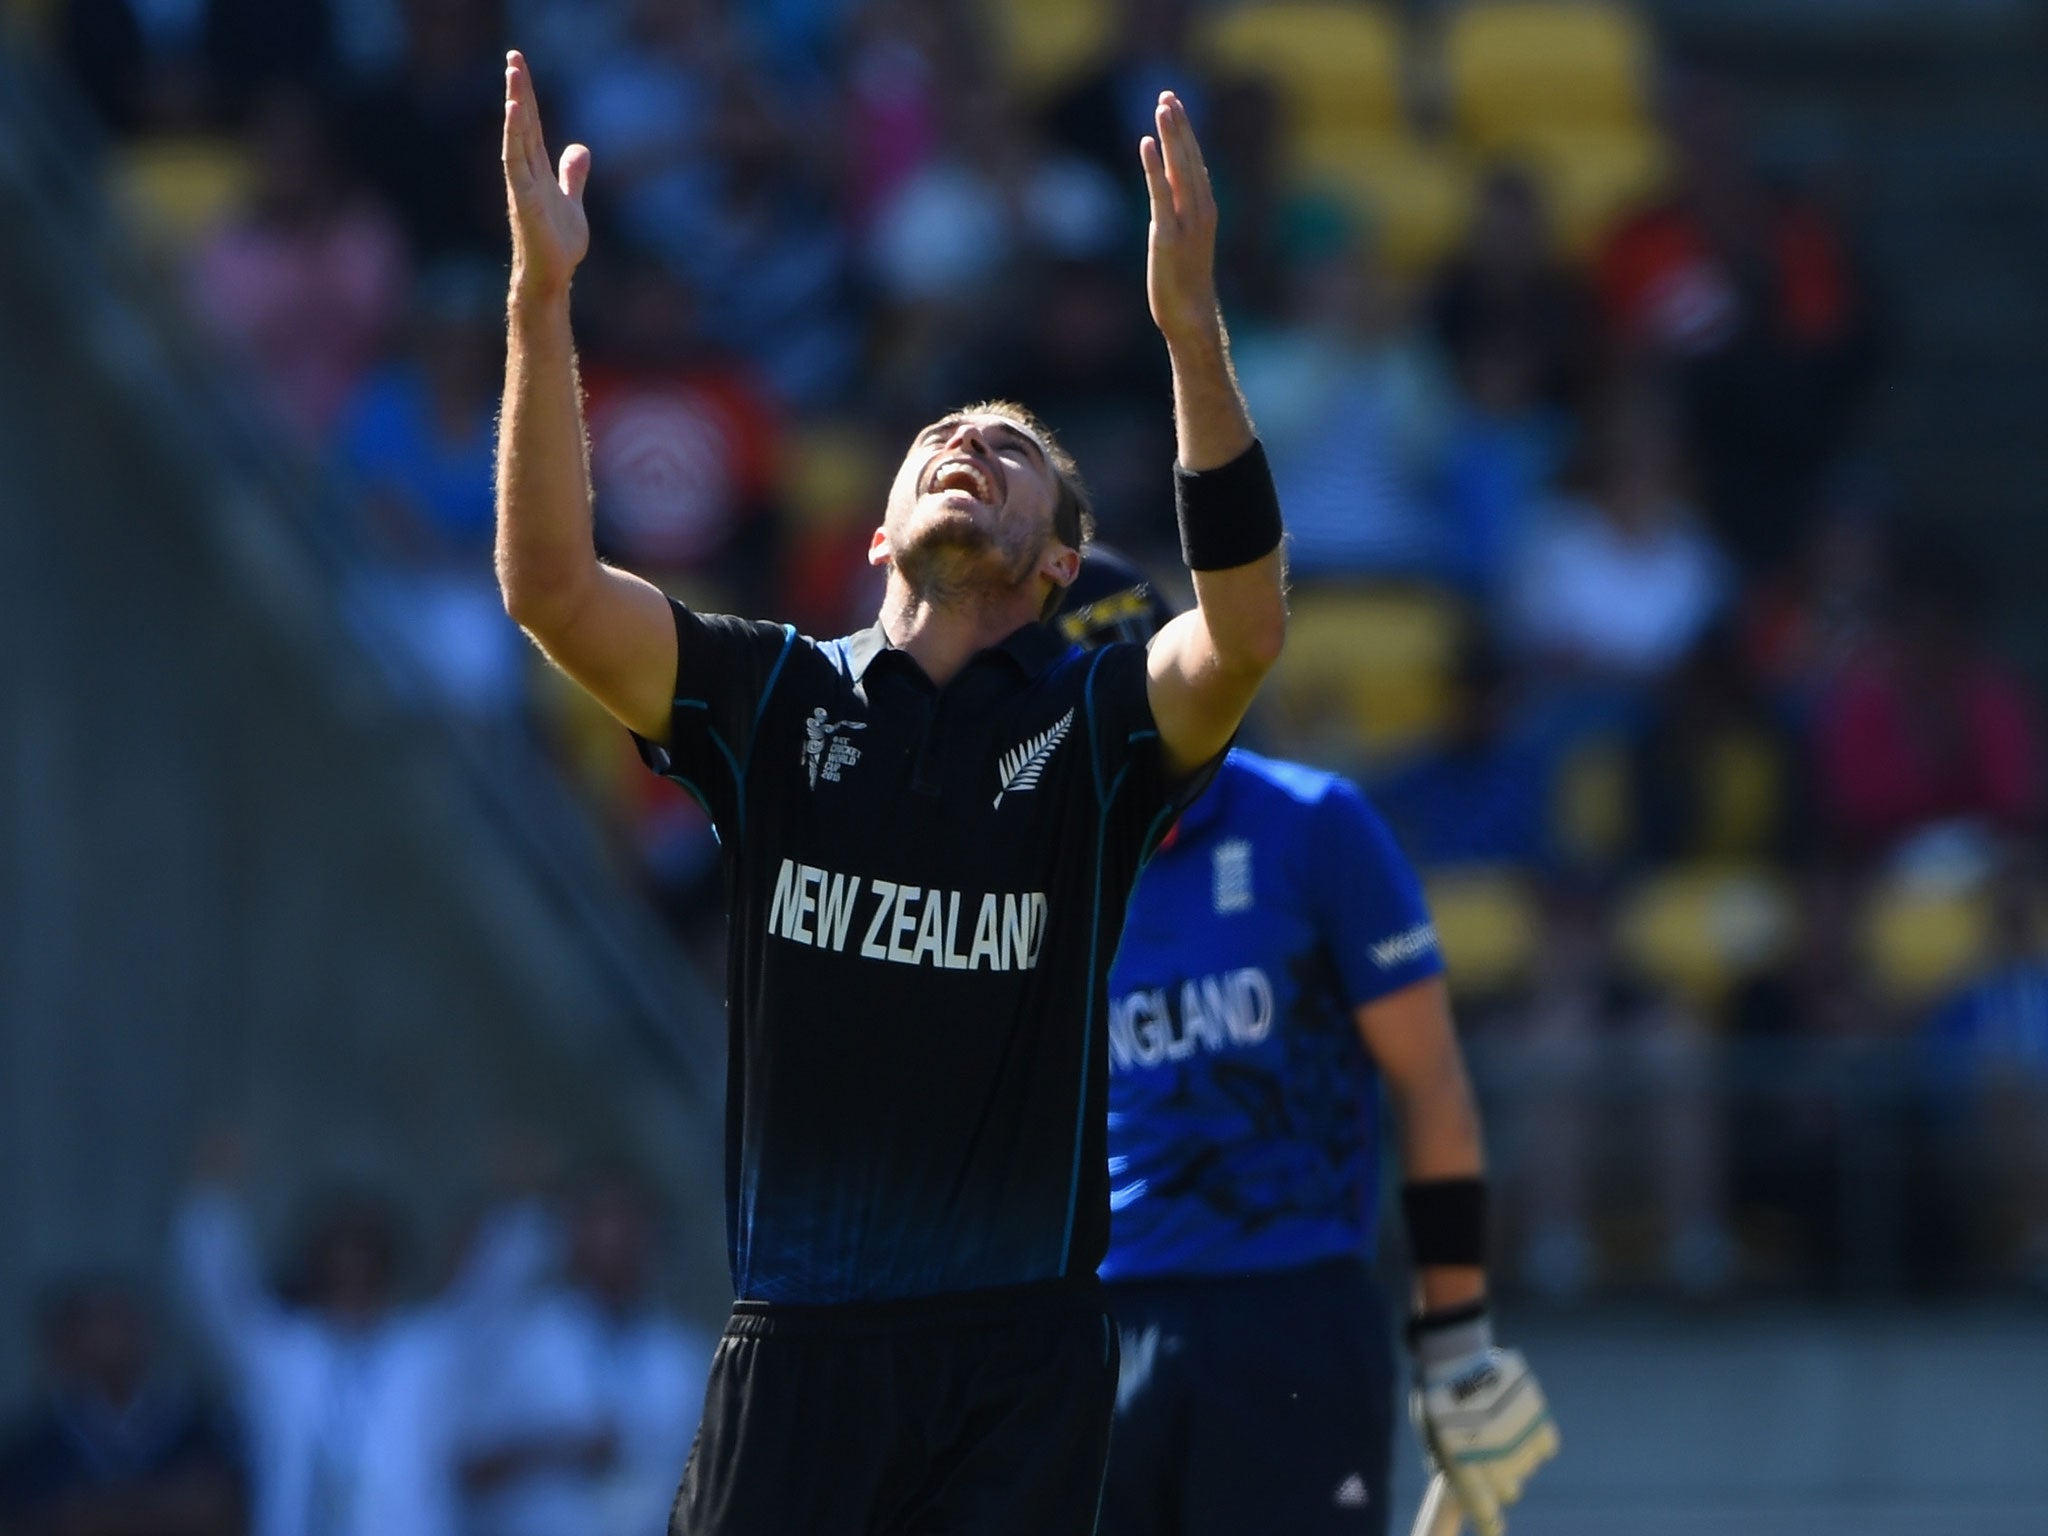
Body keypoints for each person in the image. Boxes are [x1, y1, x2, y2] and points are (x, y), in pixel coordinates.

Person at [495, 51, 1286, 1535]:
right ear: (875, 535)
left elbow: (1243, 633)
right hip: (798, 1341)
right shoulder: (770, 698)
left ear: (1060, 568)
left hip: (1021, 1357)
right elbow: (547, 588)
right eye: (945, 440)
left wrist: (1189, 333)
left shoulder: (1096, 728)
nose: (971, 445)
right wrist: (543, 299)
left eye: (1015, 454)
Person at [1061, 555, 1556, 1536]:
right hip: (1089, 1331)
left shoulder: (1312, 826)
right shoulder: (1038, 864)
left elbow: (1429, 1084)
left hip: (1288, 1315)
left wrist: (1455, 1341)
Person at [173, 1140, 551, 1536]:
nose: (351, 1270)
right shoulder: (283, 1353)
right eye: (338, 1255)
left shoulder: (425, 1352)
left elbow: (493, 1298)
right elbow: (220, 1300)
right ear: (316, 1265)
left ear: (388, 1264)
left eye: (364, 1254)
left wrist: (520, 1207)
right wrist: (210, 1202)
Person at [460, 1176, 717, 1536]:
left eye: (631, 1231)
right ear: (573, 1237)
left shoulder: (682, 1356)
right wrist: (561, 1448)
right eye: (603, 1227)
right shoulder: (522, 1341)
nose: (617, 1245)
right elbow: (467, 1468)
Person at [0, 1278, 242, 1536]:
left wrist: (106, 1509)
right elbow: (41, 1517)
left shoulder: (197, 1427)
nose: (114, 1337)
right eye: (95, 1324)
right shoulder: (33, 1445)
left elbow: (214, 1507)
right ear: (63, 1342)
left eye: (122, 1322)